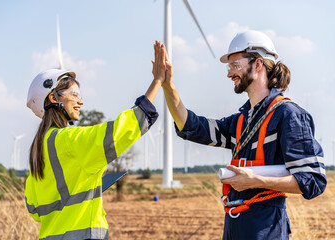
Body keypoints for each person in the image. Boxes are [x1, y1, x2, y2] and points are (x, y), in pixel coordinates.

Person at [159, 30, 327, 239]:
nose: (229, 74)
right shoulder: (241, 120)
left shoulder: (289, 116)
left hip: (266, 229)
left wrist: (255, 180)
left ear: (258, 64)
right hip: (235, 227)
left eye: (235, 65)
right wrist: (168, 86)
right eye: (229, 67)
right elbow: (192, 126)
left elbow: (313, 181)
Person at [25, 41, 167, 240]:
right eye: (74, 95)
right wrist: (158, 81)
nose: (81, 101)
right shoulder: (70, 141)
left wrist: (81, 184)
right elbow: (121, 131)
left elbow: (34, 210)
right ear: (53, 98)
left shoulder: (37, 153)